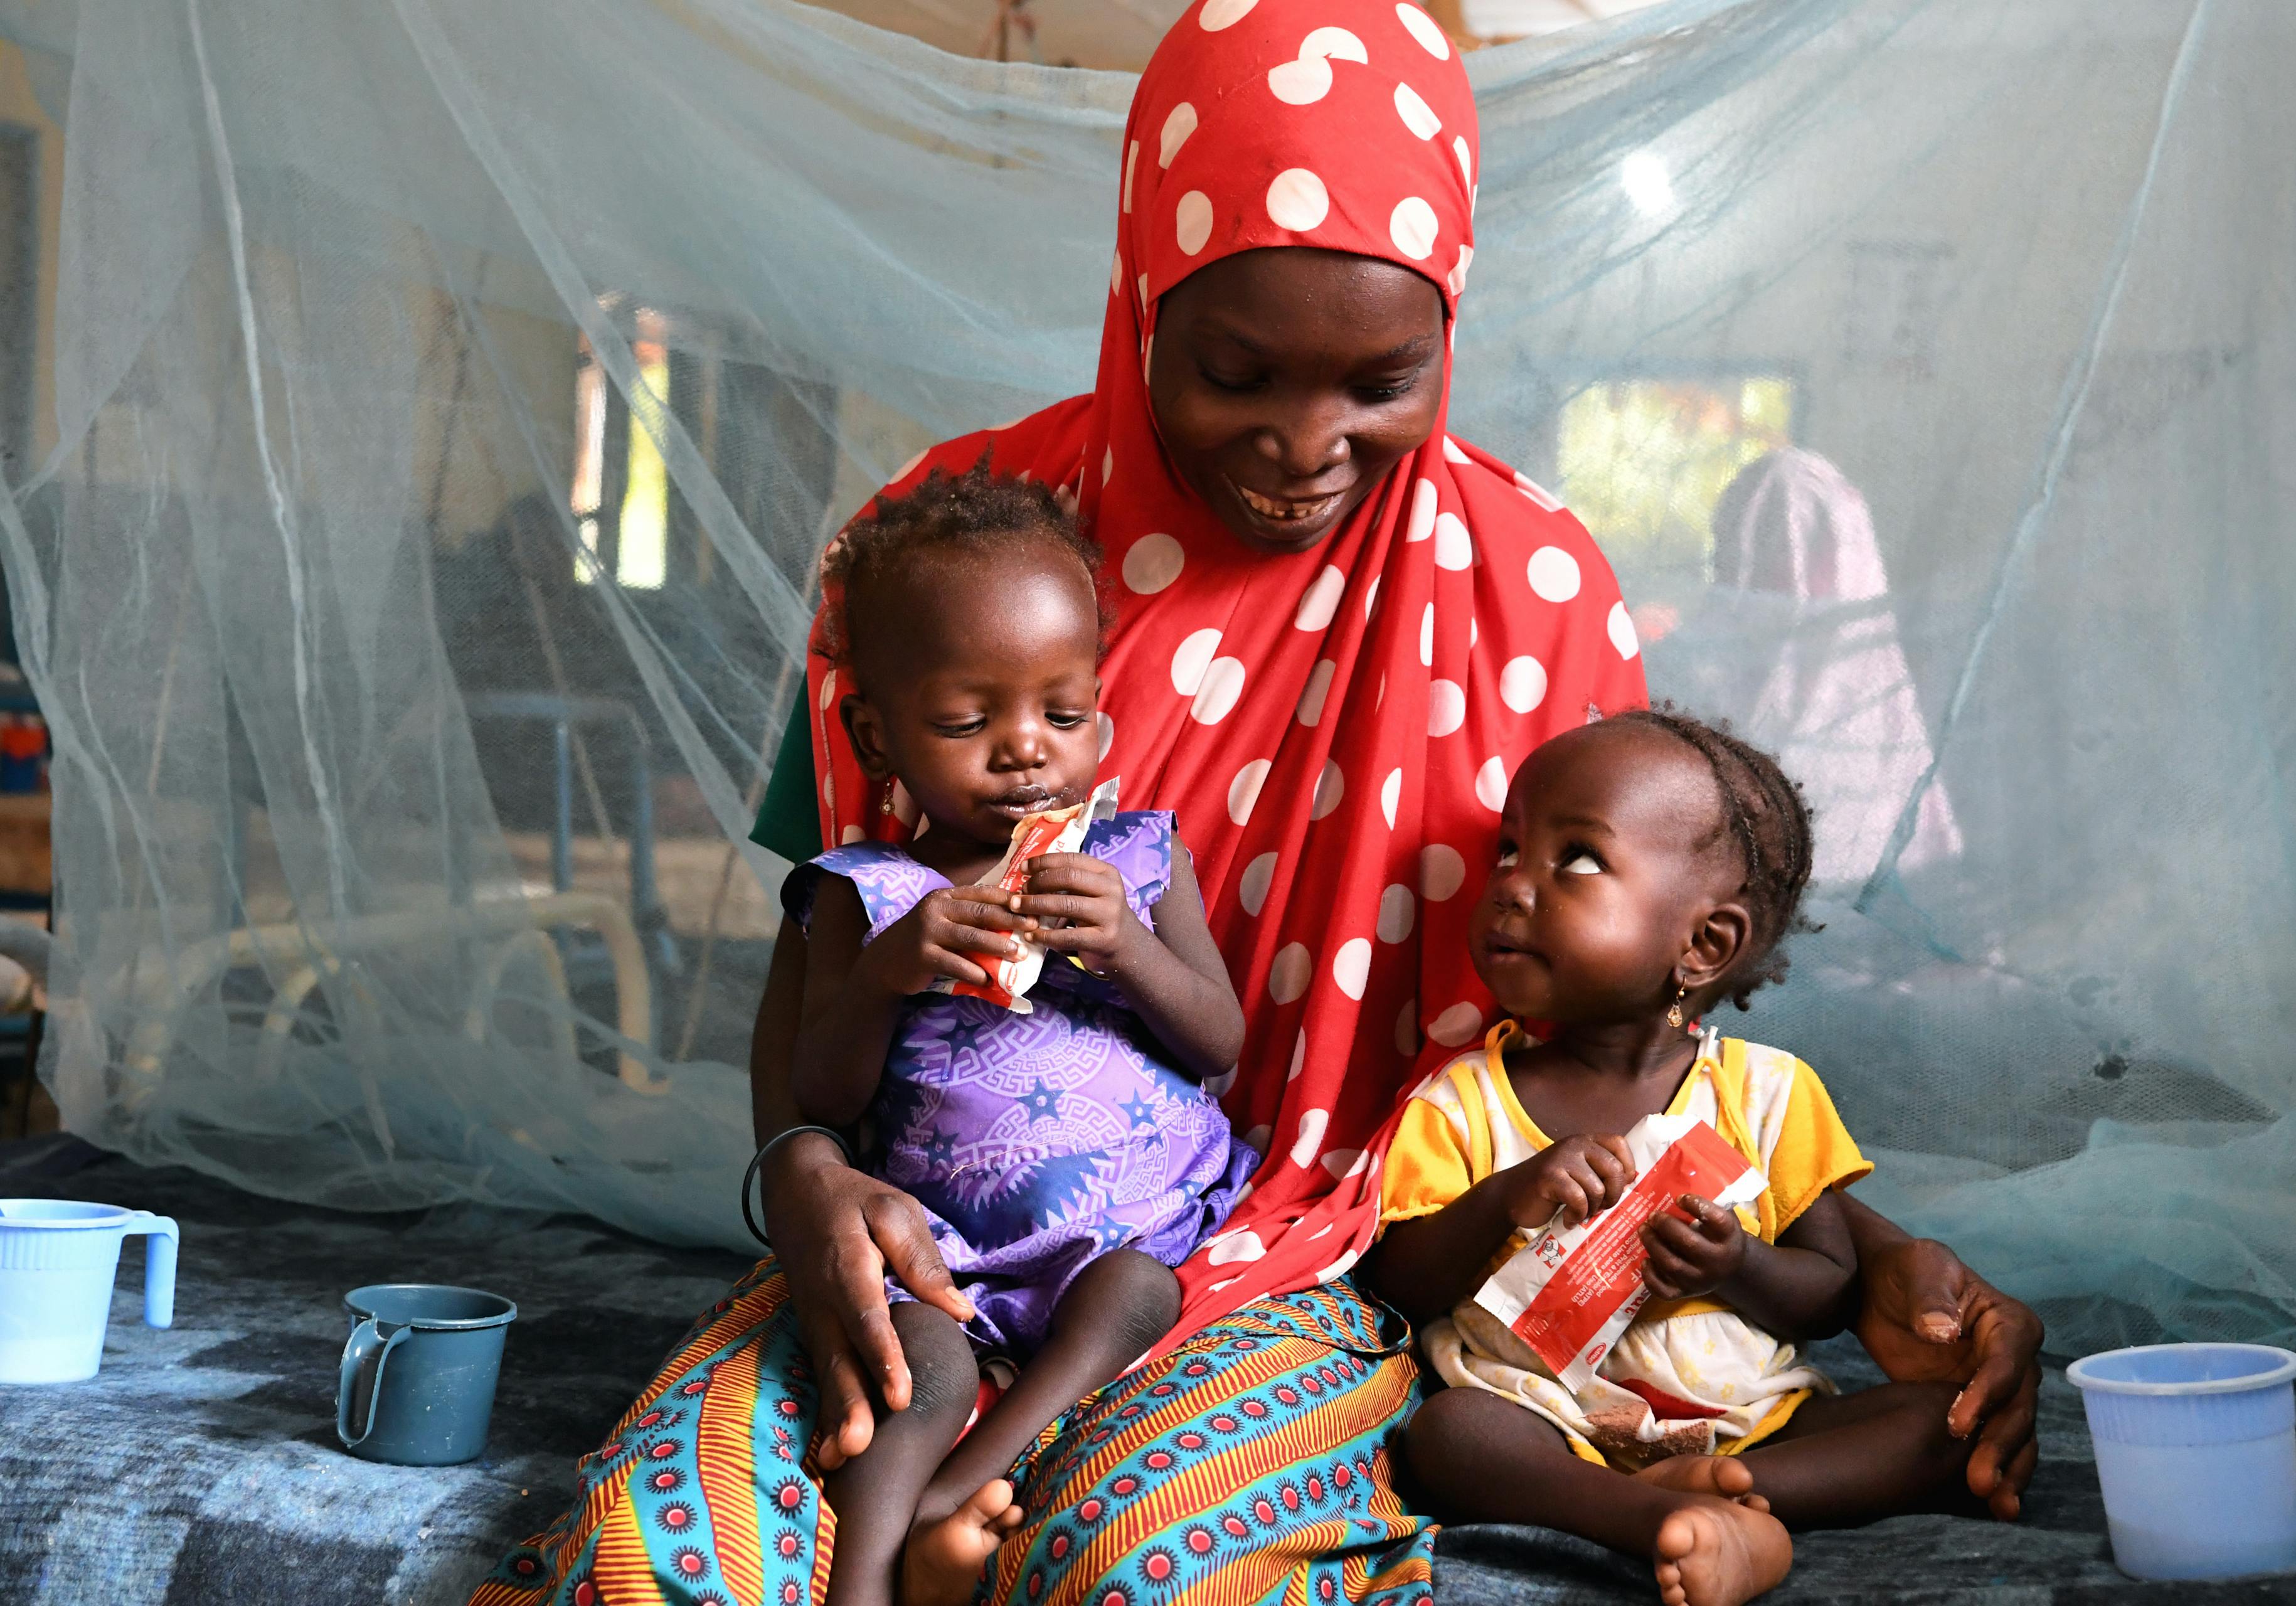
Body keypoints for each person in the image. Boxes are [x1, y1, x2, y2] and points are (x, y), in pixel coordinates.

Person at [473, 3, 2041, 1601]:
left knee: (1145, 1568)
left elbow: (1627, 1001)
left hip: (1324, 1251)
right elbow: (829, 922)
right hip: (924, 1229)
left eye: (1384, 379)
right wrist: (804, 1171)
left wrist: (1880, 1260)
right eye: (1235, 372)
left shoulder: (1533, 590)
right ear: (1142, 289)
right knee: (665, 1554)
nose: (1306, 445)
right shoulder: (952, 556)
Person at [1368, 712, 1977, 1606]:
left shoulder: (1767, 1095)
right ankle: (1652, 1517)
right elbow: (1401, 1288)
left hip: (1750, 1422)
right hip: (1549, 1420)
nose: (1510, 886)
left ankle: (1729, 1500)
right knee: (1448, 1436)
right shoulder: (1462, 1101)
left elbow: (1834, 1293)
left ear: (1703, 944)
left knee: (1948, 1424)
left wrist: (1738, 1265)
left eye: (1574, 860)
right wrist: (1506, 1197)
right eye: (1509, 850)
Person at [791, 464, 1257, 1606]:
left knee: (1137, 1295)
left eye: (1063, 713)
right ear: (878, 733)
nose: (1025, 750)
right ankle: (867, 1580)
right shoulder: (869, 892)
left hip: (1119, 1224)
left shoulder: (1141, 859)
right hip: (944, 1247)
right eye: (966, 719)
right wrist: (883, 981)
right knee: (919, 1373)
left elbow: (1220, 1044)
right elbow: (823, 1094)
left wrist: (1135, 952)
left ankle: (969, 1493)